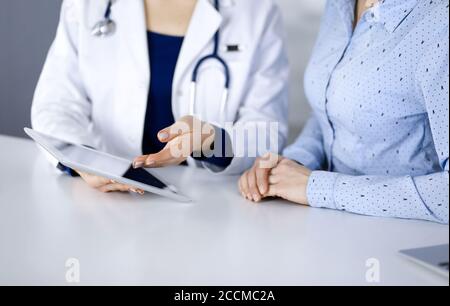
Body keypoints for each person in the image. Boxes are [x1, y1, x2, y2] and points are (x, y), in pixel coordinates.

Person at [32, 0, 289, 193]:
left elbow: (266, 132)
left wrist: (213, 142)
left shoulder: (256, 11)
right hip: (105, 200)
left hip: (208, 207)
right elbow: (56, 105)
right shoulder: (89, 5)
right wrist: (85, 161)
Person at [239, 0, 449, 224]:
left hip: (401, 238)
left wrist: (317, 187)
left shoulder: (440, 23)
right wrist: (292, 165)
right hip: (329, 227)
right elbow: (329, 114)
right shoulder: (339, 5)